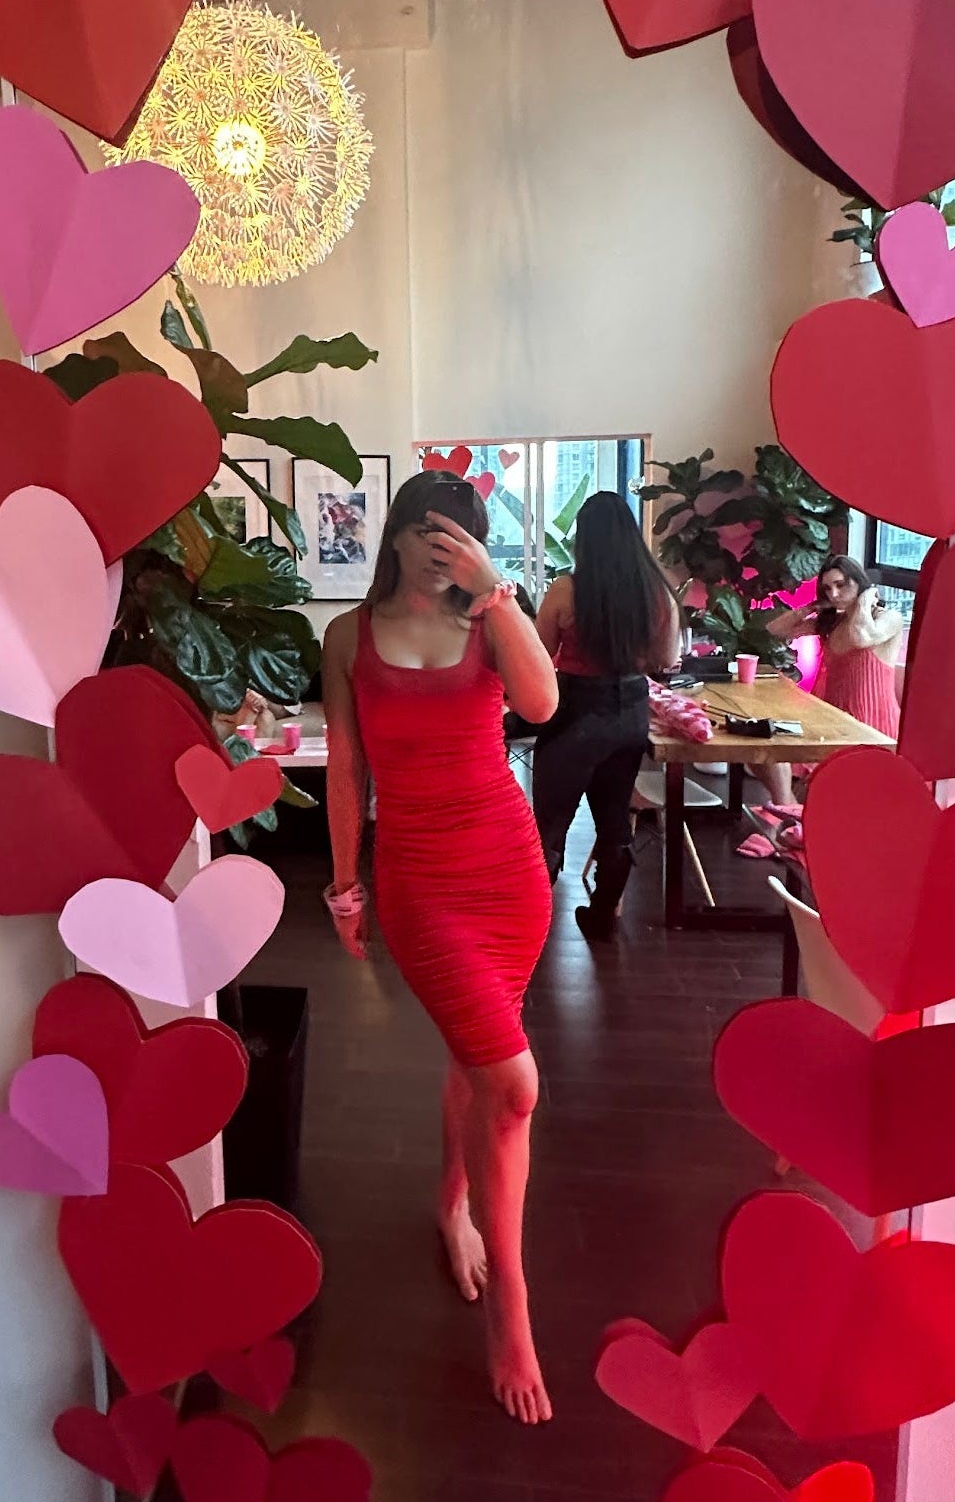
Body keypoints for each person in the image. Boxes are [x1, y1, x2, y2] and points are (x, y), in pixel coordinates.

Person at [321, 471, 560, 1425]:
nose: (438, 548)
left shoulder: (491, 617)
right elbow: (346, 766)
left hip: (510, 871)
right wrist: (344, 884)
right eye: (424, 531)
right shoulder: (347, 635)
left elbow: (540, 707)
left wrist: (495, 591)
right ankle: (512, 1302)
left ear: (476, 542)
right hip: (420, 880)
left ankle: (452, 1204)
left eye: (456, 534)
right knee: (514, 1086)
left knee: (479, 1060)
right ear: (397, 535)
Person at [531, 493, 680, 942]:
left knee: (550, 825)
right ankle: (602, 917)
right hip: (630, 710)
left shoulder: (566, 590)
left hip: (575, 711)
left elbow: (538, 657)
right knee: (615, 819)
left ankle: (531, 925)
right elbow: (667, 659)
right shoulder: (659, 594)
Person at [756, 554, 904, 807]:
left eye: (841, 584)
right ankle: (789, 810)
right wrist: (811, 607)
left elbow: (862, 638)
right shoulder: (833, 623)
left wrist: (865, 602)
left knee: (856, 798)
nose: (834, 594)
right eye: (828, 588)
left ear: (860, 583)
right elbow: (776, 630)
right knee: (767, 746)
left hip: (874, 721)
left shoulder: (888, 618)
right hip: (834, 716)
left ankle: (794, 814)